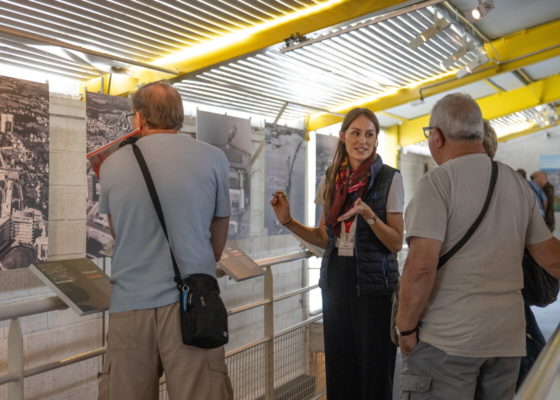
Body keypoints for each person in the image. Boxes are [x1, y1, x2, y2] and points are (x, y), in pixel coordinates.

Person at [396, 93, 560, 400]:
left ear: (438, 137)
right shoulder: (515, 182)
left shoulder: (437, 183)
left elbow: (420, 267)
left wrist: (405, 330)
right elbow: (552, 257)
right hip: (505, 341)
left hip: (448, 342)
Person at [98, 82, 233, 400]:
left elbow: (117, 230)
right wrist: (199, 261)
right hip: (192, 303)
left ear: (139, 118)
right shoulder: (214, 158)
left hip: (129, 304)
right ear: (180, 117)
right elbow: (219, 227)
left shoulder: (112, 163)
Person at [270, 107, 404, 400]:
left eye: (370, 134)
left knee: (375, 370)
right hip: (336, 282)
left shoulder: (390, 179)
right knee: (340, 369)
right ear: (343, 136)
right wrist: (289, 222)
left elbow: (395, 242)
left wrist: (369, 216)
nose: (362, 141)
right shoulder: (332, 179)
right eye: (356, 133)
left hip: (373, 288)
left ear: (376, 140)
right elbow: (322, 237)